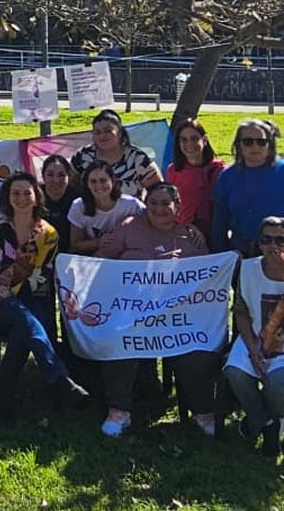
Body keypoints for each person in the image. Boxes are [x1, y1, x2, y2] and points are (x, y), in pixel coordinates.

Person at [96, 182, 219, 436]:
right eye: (153, 203)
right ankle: (119, 411)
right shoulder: (129, 228)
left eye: (166, 203)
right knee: (118, 338)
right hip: (132, 312)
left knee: (196, 346)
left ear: (178, 206)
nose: (159, 209)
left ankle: (203, 411)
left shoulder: (191, 237)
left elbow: (206, 278)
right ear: (145, 205)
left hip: (178, 316)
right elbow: (103, 262)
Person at [0, 172, 89, 422]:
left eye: (27, 193)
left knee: (22, 330)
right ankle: (59, 378)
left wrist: (9, 290)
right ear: (7, 197)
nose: (21, 198)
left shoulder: (48, 234)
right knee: (22, 320)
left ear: (36, 197)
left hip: (33, 299)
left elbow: (42, 276)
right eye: (15, 193)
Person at [225, 215, 284, 458]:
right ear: (258, 243)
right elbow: (240, 311)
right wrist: (252, 347)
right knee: (235, 373)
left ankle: (271, 420)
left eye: (281, 240)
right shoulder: (248, 269)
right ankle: (266, 423)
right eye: (267, 240)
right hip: (255, 336)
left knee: (277, 382)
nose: (273, 246)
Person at [212, 119, 284, 256]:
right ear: (238, 145)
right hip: (241, 251)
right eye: (248, 141)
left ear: (270, 144)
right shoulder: (227, 176)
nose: (255, 147)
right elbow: (219, 225)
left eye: (261, 142)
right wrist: (222, 257)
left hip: (279, 251)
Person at [70, 110, 162, 198]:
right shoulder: (83, 155)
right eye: (97, 132)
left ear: (120, 133)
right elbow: (69, 183)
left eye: (108, 131)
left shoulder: (138, 159)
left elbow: (158, 192)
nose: (103, 136)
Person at [68, 161, 146, 255]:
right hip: (92, 258)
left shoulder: (132, 205)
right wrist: (98, 242)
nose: (98, 185)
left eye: (103, 180)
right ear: (87, 184)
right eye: (93, 181)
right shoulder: (79, 206)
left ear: (112, 181)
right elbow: (75, 245)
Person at [166, 118, 224, 242]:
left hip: (209, 235)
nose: (189, 144)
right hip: (178, 234)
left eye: (194, 138)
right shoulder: (173, 170)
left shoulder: (218, 170)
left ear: (205, 140)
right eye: (184, 140)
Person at [40, 154, 79, 253]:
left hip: (71, 253)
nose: (56, 180)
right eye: (50, 174)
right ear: (43, 175)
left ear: (69, 176)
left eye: (61, 175)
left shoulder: (78, 199)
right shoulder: (34, 196)